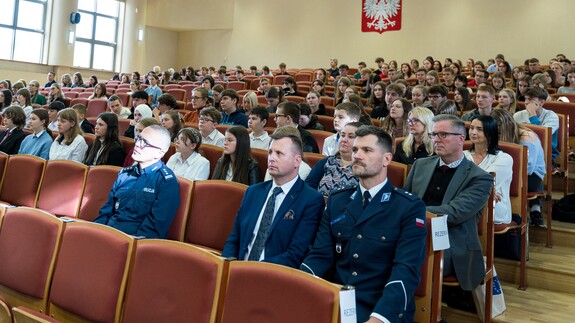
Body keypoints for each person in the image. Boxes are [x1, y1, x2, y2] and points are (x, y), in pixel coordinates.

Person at [301, 125, 427, 322]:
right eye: (355, 150)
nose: (357, 155)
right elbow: (319, 255)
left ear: (387, 158)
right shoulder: (337, 201)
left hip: (380, 307)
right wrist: (296, 285)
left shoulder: (408, 207)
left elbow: (405, 270)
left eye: (366, 150)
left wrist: (379, 317)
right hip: (339, 300)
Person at [404, 114, 492, 295]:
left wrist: (411, 212)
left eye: (443, 134)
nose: (436, 140)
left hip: (451, 241)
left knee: (406, 258)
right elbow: (405, 199)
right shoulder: (421, 164)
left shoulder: (480, 178)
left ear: (461, 139)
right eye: (434, 135)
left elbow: (454, 213)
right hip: (413, 232)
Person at [222, 129, 324, 268]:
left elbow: (295, 254)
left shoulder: (311, 200)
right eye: (270, 152)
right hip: (238, 270)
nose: (272, 158)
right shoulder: (253, 192)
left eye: (279, 153)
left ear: (297, 161)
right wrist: (228, 266)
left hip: (273, 276)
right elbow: (234, 238)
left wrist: (254, 270)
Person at [94, 125, 180, 239]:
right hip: (108, 234)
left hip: (133, 243)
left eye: (145, 143)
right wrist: (95, 233)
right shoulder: (124, 174)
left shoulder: (166, 182)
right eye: (139, 139)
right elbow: (106, 212)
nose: (138, 144)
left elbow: (153, 229)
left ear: (159, 153)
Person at [492, 108, 546, 227]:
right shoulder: (503, 133)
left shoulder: (526, 137)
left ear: (507, 125)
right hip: (513, 172)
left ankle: (510, 215)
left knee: (499, 184)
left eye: (500, 131)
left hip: (532, 176)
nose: (497, 134)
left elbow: (529, 169)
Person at [464, 115, 513, 224]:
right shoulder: (462, 156)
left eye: (479, 129)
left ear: (490, 132)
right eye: (471, 128)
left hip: (494, 208)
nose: (473, 132)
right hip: (465, 204)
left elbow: (484, 184)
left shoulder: (504, 159)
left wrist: (465, 185)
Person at [305, 122, 362, 197]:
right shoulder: (326, 162)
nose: (344, 139)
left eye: (351, 136)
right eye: (342, 135)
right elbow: (307, 188)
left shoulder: (362, 168)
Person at [513, 87, 559, 166]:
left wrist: (532, 115)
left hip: (545, 152)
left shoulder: (552, 116)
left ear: (541, 102)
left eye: (530, 99)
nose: (526, 102)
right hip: (522, 150)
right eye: (526, 99)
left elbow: (542, 136)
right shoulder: (518, 115)